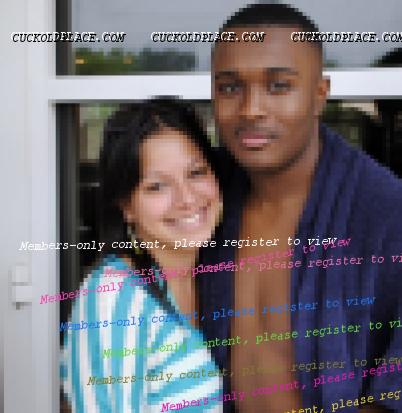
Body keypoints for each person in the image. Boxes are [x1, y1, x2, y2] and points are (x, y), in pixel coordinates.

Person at [198, 3, 402, 413]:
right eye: (230, 88)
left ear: (318, 95)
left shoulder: (385, 212)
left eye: (278, 86)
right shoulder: (201, 200)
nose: (251, 109)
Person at [60, 98, 225, 412]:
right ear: (126, 205)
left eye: (196, 172)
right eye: (157, 186)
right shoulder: (114, 297)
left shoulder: (207, 277)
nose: (187, 198)